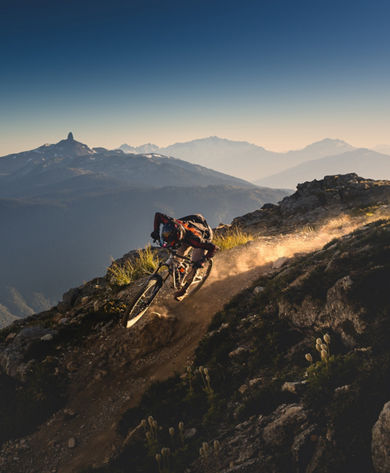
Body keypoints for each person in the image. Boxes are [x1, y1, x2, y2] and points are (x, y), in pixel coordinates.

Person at [151, 212, 217, 300]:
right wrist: (156, 231)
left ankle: (185, 290)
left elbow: (214, 248)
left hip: (204, 235)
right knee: (177, 257)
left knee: (195, 264)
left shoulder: (196, 240)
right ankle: (180, 271)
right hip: (187, 228)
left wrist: (203, 261)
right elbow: (158, 215)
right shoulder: (169, 222)